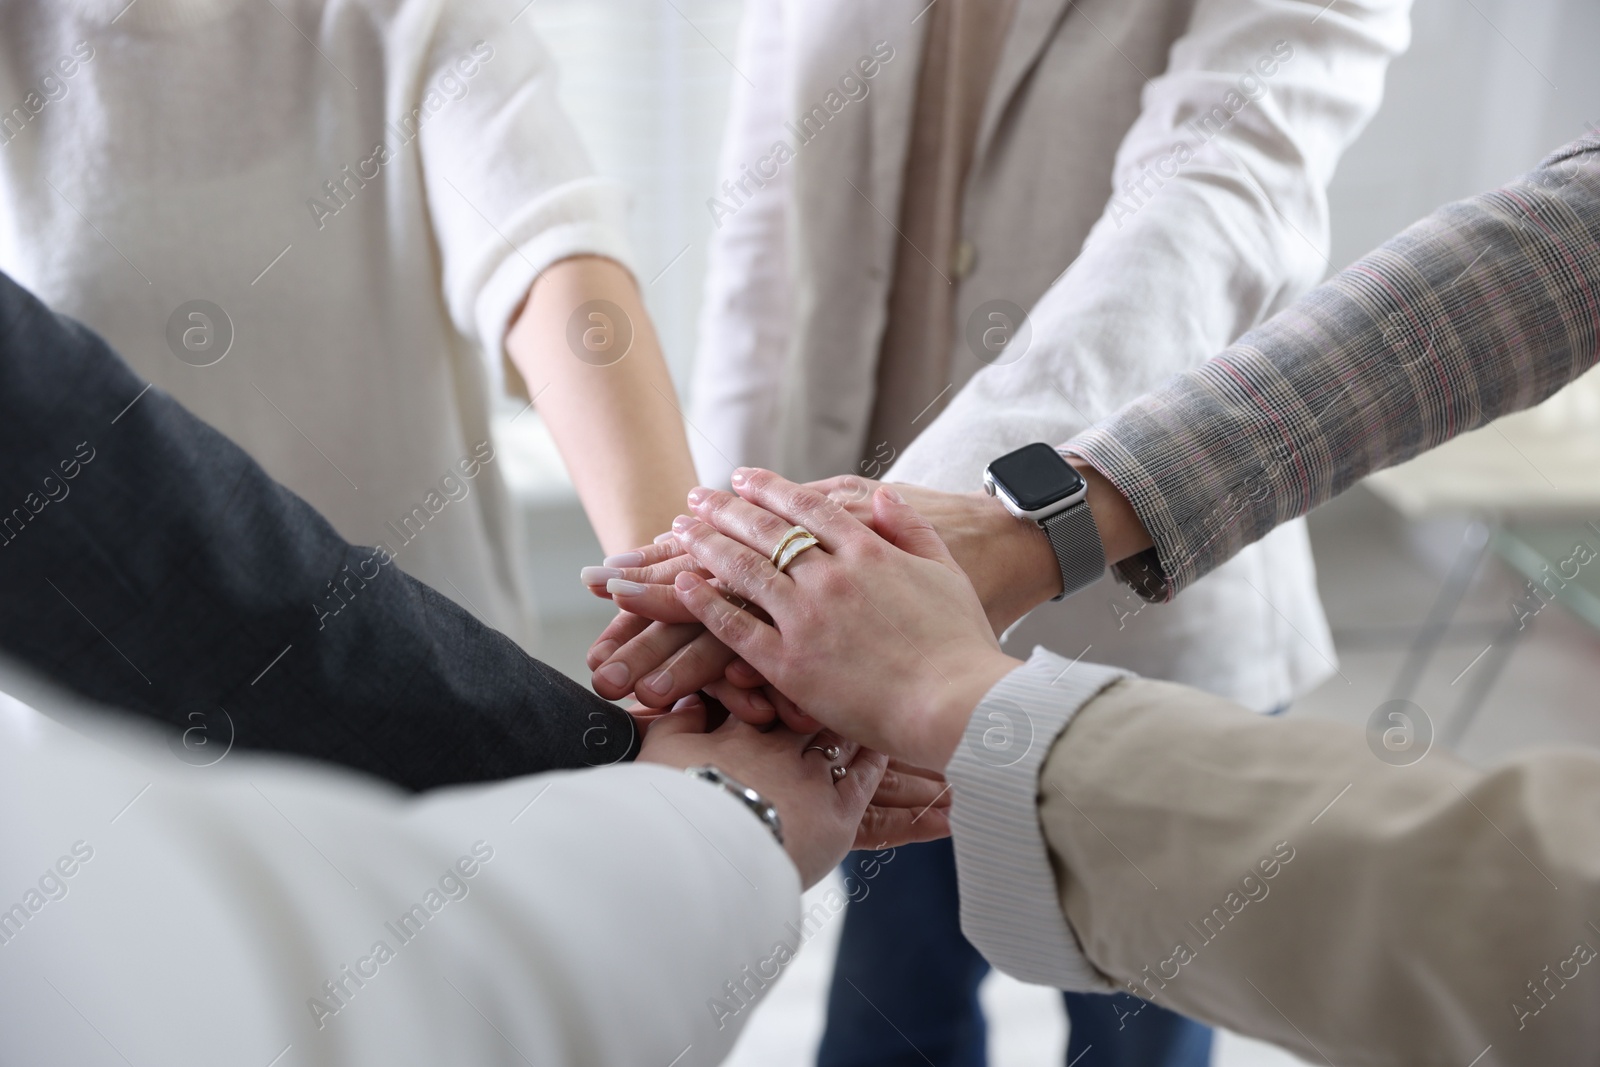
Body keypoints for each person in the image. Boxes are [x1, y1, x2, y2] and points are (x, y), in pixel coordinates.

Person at [607, 133, 1600, 1065]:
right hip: (851, 621)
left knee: (1142, 1014)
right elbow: (1565, 238)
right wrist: (725, 555)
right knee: (892, 998)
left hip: (1065, 621)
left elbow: (1211, 193)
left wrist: (969, 570)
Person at [0, 0, 697, 657]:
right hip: (91, 740)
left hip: (436, 716)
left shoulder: (406, 17)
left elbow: (548, 250)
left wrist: (675, 588)